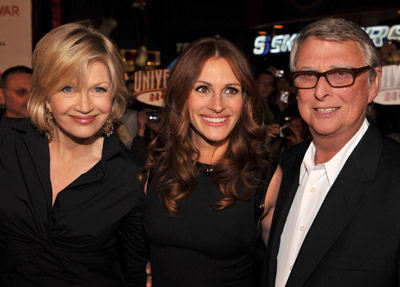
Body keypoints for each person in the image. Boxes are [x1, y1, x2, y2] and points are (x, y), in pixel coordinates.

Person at [123, 36, 278, 287]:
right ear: (183, 95)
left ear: (245, 99)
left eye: (230, 90)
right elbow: (135, 259)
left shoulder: (263, 179)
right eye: (202, 89)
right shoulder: (154, 171)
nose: (217, 105)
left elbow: (283, 269)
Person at [0, 22, 146, 286]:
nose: (85, 105)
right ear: (45, 95)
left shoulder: (129, 176)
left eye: (99, 89)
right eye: (68, 88)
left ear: (113, 96)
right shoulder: (7, 142)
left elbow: (136, 270)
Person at [261, 17, 400, 287]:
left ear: (373, 83)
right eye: (308, 75)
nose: (321, 91)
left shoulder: (395, 180)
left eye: (340, 74)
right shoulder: (282, 166)